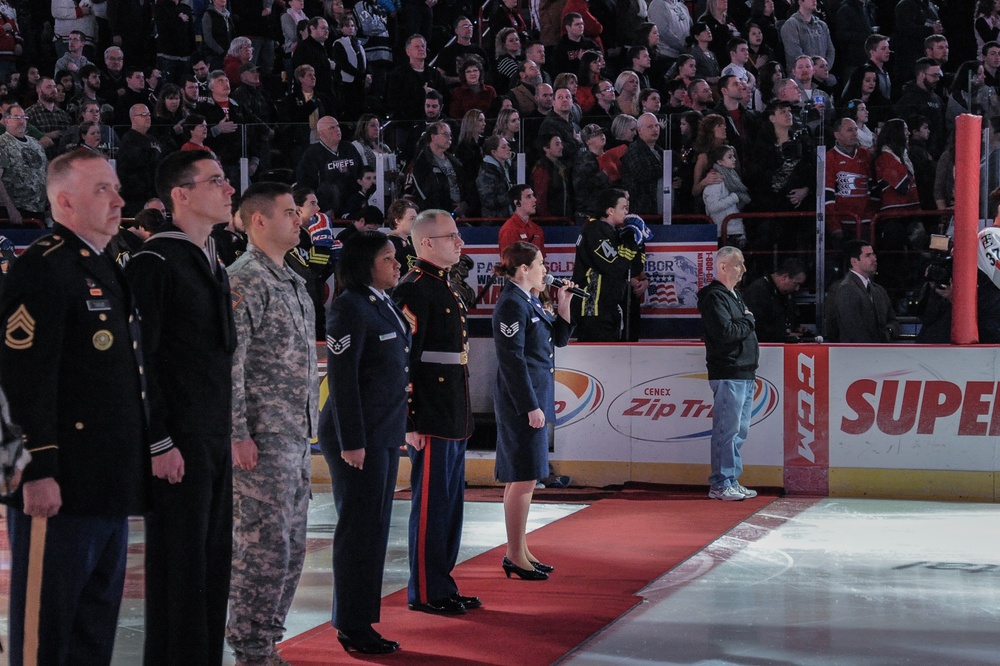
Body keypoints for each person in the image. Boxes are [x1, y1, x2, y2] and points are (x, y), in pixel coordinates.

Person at [0, 149, 149, 666]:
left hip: (105, 481)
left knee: (93, 626)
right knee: (46, 630)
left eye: (115, 187)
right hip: (57, 484)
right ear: (63, 201)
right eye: (102, 190)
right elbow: (21, 380)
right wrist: (36, 468)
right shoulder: (43, 268)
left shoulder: (106, 263)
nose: (119, 199)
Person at [125, 150, 238, 665]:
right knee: (179, 573)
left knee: (212, 568)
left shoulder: (211, 258)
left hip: (211, 436)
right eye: (215, 181)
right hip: (179, 441)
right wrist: (159, 440)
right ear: (182, 194)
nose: (229, 189)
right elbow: (142, 359)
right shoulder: (155, 261)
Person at [224, 182, 318, 666]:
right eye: (288, 212)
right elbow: (231, 362)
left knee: (290, 548)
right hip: (262, 438)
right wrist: (238, 433)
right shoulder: (245, 279)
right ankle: (252, 649)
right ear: (257, 221)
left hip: (294, 434)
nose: (298, 218)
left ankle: (268, 643)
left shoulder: (292, 279)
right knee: (261, 548)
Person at [321, 230, 410, 654]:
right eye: (388, 258)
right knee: (359, 529)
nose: (396, 264)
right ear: (364, 263)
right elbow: (343, 381)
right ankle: (351, 625)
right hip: (357, 436)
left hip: (383, 432)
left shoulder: (381, 302)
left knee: (373, 529)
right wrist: (352, 441)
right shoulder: (349, 307)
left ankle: (362, 619)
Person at [392, 210, 480, 616]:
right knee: (429, 507)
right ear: (426, 243)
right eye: (451, 237)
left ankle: (443, 582)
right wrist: (411, 421)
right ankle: (426, 590)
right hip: (430, 413)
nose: (459, 243)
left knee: (449, 504)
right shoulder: (413, 289)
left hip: (453, 410)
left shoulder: (446, 286)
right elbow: (404, 361)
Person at [492, 242, 574, 581]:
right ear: (523, 269)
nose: (545, 270)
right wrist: (529, 406)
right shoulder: (512, 304)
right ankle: (514, 553)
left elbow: (558, 340)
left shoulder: (529, 301)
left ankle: (519, 548)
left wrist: (565, 306)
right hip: (521, 400)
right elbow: (513, 361)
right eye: (540, 264)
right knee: (524, 475)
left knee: (523, 475)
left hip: (534, 396)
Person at [696, 245, 759, 501]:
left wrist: (744, 321)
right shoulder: (714, 297)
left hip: (743, 372)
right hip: (729, 372)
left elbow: (737, 328)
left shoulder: (734, 295)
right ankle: (721, 483)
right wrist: (747, 321)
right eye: (739, 264)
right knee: (727, 430)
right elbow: (726, 333)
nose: (743, 269)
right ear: (723, 266)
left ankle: (730, 479)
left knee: (737, 431)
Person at [571, 188, 648, 341]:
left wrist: (638, 243)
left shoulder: (616, 232)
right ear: (610, 210)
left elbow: (634, 268)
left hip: (610, 306)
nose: (627, 212)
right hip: (593, 307)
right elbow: (615, 267)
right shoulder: (595, 229)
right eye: (623, 208)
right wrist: (631, 245)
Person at [824, 240, 899, 343]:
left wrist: (889, 331)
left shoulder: (879, 290)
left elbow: (893, 320)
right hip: (856, 353)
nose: (874, 259)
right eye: (868, 255)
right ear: (854, 261)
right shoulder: (844, 288)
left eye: (873, 254)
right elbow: (848, 329)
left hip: (879, 352)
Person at [0, 105, 48, 226]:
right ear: (6, 120)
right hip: (14, 210)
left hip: (38, 208)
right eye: (16, 117)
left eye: (24, 117)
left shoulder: (35, 143)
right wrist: (10, 208)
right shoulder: (2, 143)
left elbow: (46, 172)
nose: (22, 121)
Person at [741, 258, 807, 342]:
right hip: (763, 347)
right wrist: (784, 334)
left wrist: (795, 327)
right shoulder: (758, 291)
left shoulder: (786, 293)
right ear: (785, 277)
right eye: (796, 283)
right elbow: (755, 326)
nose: (797, 288)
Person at [702, 144, 750, 243]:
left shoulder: (733, 177)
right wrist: (734, 197)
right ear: (719, 162)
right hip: (724, 231)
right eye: (729, 157)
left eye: (733, 156)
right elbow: (713, 206)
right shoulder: (716, 181)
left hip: (734, 229)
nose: (734, 159)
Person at [499, 185, 545, 255]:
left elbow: (542, 260)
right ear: (517, 203)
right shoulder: (509, 230)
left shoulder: (537, 229)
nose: (534, 199)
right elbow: (510, 263)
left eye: (533, 195)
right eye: (529, 196)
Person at [386, 198, 419, 270]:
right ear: (398, 220)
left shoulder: (412, 241)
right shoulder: (389, 243)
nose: (416, 222)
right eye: (412, 219)